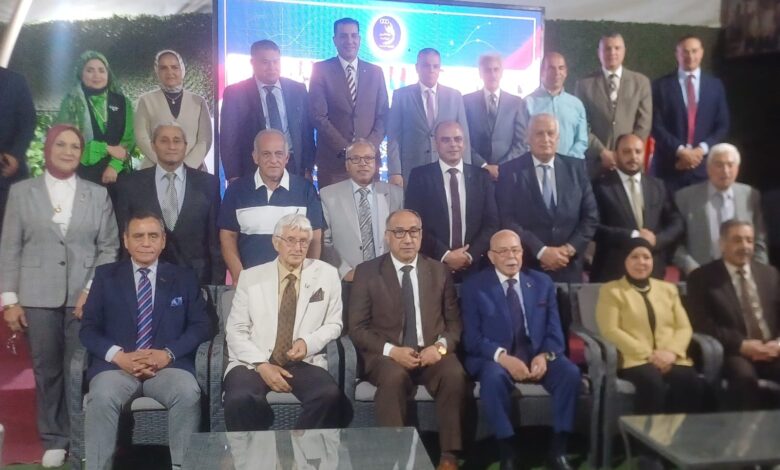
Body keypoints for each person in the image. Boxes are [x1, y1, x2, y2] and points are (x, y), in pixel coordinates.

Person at [0, 125, 118, 468]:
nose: (68, 151)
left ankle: (81, 436)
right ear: (48, 148)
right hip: (36, 295)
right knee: (47, 369)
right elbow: (9, 247)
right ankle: (54, 438)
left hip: (84, 296)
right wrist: (9, 299)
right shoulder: (22, 192)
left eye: (75, 146)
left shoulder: (97, 195)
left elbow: (109, 247)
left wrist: (91, 290)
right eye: (61, 145)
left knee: (79, 369)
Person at [80, 211, 211, 470]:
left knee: (187, 392)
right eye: (138, 236)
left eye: (153, 236)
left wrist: (167, 354)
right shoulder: (106, 276)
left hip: (167, 368)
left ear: (163, 241)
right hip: (116, 368)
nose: (146, 243)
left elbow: (201, 326)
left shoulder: (183, 277)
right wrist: (119, 356)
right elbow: (88, 329)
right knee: (102, 396)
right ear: (126, 241)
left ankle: (183, 467)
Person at [348, 209, 468, 470]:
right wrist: (392, 351)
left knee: (453, 373)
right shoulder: (368, 272)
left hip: (431, 352)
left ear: (421, 236)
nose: (407, 239)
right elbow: (357, 328)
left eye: (414, 232)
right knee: (393, 378)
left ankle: (449, 456)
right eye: (399, 232)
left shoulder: (438, 270)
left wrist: (440, 348)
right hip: (386, 356)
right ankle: (396, 458)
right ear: (387, 236)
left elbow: (454, 324)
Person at [462, 230, 580, 470]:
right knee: (492, 379)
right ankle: (508, 451)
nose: (511, 256)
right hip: (496, 358)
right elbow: (472, 338)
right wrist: (503, 358)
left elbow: (554, 332)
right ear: (491, 256)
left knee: (570, 374)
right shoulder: (474, 286)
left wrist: (545, 356)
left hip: (537, 355)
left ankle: (558, 450)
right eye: (503, 251)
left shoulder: (541, 283)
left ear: (523, 253)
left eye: (515, 250)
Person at [222, 214, 347, 431]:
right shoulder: (251, 277)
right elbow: (236, 330)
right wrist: (262, 365)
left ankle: (300, 449)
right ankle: (253, 452)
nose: (298, 248)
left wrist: (308, 342)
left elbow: (334, 324)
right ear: (276, 242)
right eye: (291, 240)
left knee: (328, 395)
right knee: (239, 398)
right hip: (253, 360)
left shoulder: (327, 275)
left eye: (303, 241)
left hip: (302, 360)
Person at [596, 238, 704, 468]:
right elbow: (610, 330)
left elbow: (684, 327)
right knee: (652, 384)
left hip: (671, 357)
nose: (641, 262)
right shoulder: (612, 291)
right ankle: (649, 453)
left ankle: (683, 447)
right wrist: (649, 354)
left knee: (688, 381)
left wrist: (672, 352)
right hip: (634, 359)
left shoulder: (668, 290)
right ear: (625, 261)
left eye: (646, 257)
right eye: (634, 257)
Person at [687, 220, 780, 410]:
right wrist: (741, 345)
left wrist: (778, 344)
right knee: (744, 378)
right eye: (737, 240)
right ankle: (748, 429)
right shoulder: (702, 278)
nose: (745, 246)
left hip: (772, 349)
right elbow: (702, 323)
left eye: (749, 240)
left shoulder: (770, 274)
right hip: (734, 351)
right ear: (722, 244)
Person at [116, 122, 224, 285]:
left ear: (185, 146)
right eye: (164, 140)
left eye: (177, 141)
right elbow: (123, 237)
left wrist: (216, 285)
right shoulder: (131, 184)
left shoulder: (209, 184)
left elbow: (215, 241)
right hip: (145, 279)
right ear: (153, 145)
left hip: (197, 278)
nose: (171, 146)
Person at [496, 114, 599, 283]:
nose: (546, 139)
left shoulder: (577, 168)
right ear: (527, 138)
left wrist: (568, 250)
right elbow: (507, 219)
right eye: (539, 133)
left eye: (550, 133)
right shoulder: (509, 171)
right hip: (529, 268)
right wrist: (541, 251)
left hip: (569, 266)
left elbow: (591, 217)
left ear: (558, 137)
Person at [219, 129, 323, 281]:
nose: (273, 160)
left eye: (278, 154)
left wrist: (308, 275)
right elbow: (228, 236)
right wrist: (239, 275)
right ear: (255, 157)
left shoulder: (306, 190)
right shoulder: (236, 191)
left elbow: (315, 237)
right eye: (266, 154)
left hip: (295, 284)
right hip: (251, 283)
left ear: (286, 157)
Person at [405, 121, 499, 280]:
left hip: (476, 267)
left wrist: (469, 255)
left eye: (458, 139)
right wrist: (445, 255)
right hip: (433, 266)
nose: (453, 144)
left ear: (465, 143)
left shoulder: (482, 177)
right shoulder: (419, 176)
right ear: (436, 144)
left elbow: (492, 223)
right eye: (445, 140)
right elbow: (414, 223)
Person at [591, 134, 684, 282]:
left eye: (638, 151)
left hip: (653, 272)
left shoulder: (658, 186)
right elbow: (593, 227)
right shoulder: (600, 187)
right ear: (615, 154)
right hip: (612, 272)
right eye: (626, 152)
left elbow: (676, 222)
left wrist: (656, 240)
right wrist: (633, 236)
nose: (633, 156)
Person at [309, 18, 389, 188]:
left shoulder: (375, 72)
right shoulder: (321, 70)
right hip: (334, 163)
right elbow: (319, 117)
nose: (349, 41)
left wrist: (366, 150)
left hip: (369, 163)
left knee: (370, 206)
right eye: (343, 36)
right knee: (334, 206)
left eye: (353, 36)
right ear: (335, 40)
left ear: (359, 39)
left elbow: (383, 116)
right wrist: (349, 151)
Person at [220, 40, 314, 180]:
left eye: (276, 61)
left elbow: (307, 133)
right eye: (265, 62)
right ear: (253, 63)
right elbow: (229, 138)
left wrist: (308, 168)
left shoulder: (298, 89)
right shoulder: (235, 93)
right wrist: (233, 175)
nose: (272, 67)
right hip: (253, 169)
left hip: (293, 166)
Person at [673, 143, 767, 275]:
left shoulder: (750, 195)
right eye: (719, 165)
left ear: (737, 168)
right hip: (701, 274)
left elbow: (759, 241)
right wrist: (694, 270)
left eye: (730, 165)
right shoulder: (685, 197)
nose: (726, 171)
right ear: (708, 168)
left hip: (743, 274)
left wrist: (759, 273)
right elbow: (676, 244)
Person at [651, 35, 730, 192]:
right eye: (685, 52)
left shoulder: (715, 85)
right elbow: (655, 125)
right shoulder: (660, 86)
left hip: (704, 169)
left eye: (694, 51)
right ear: (677, 54)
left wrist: (700, 151)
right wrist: (681, 151)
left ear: (702, 52)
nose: (690, 56)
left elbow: (722, 125)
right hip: (669, 168)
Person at [320, 138, 403, 281]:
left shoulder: (396, 194)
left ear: (376, 163)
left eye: (368, 158)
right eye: (355, 159)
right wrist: (344, 271)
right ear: (347, 165)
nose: (362, 163)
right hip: (349, 279)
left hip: (389, 277)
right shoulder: (328, 195)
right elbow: (324, 242)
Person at [387, 48, 470, 187]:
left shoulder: (454, 96)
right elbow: (394, 137)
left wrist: (467, 170)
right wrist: (394, 171)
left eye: (435, 66)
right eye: (426, 65)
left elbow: (463, 136)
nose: (431, 70)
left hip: (447, 169)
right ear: (417, 68)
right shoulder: (401, 96)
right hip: (412, 171)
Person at [575, 33, 652, 179]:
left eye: (617, 48)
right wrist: (602, 152)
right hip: (596, 165)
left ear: (624, 50)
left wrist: (627, 152)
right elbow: (581, 124)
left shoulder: (641, 82)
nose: (612, 52)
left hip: (631, 164)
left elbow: (644, 122)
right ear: (599, 52)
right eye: (607, 48)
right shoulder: (584, 85)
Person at [56, 50, 134, 189]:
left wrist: (114, 166)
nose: (96, 75)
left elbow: (129, 138)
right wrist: (106, 148)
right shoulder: (70, 103)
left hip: (118, 176)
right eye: (90, 70)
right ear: (81, 74)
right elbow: (63, 142)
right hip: (80, 177)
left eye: (101, 70)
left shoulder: (123, 102)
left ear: (108, 74)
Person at [134, 50, 212, 170]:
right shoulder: (145, 101)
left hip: (193, 170)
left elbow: (204, 140)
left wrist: (185, 167)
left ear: (182, 70)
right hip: (154, 170)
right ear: (157, 71)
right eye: (163, 68)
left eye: (174, 67)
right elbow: (142, 138)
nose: (169, 72)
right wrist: (165, 164)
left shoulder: (199, 102)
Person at [462, 53, 527, 181]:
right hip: (476, 173)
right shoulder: (466, 101)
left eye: (496, 70)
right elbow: (463, 139)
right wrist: (483, 165)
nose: (492, 74)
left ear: (502, 72)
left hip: (508, 173)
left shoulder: (516, 103)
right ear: (480, 73)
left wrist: (501, 167)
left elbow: (521, 143)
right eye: (487, 70)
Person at [525, 52, 588, 160]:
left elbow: (582, 140)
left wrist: (566, 162)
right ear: (542, 72)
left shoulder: (576, 105)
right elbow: (524, 140)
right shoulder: (528, 103)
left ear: (566, 72)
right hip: (537, 165)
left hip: (570, 165)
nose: (557, 72)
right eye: (551, 68)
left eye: (561, 68)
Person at [0, 66, 36, 238]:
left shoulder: (15, 81)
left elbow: (28, 122)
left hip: (9, 175)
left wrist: (15, 155)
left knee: (12, 237)